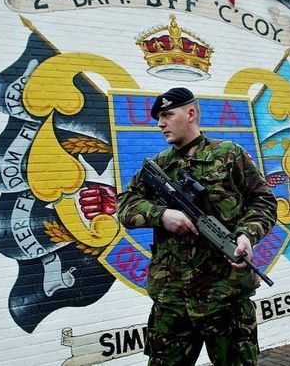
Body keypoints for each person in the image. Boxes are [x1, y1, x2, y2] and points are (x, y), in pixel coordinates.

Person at [116, 87, 277, 365]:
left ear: (191, 114)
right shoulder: (157, 166)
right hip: (173, 301)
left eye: (167, 115)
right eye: (158, 117)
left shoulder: (229, 155)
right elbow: (125, 206)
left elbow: (263, 202)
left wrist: (246, 235)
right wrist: (161, 214)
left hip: (225, 297)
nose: (160, 123)